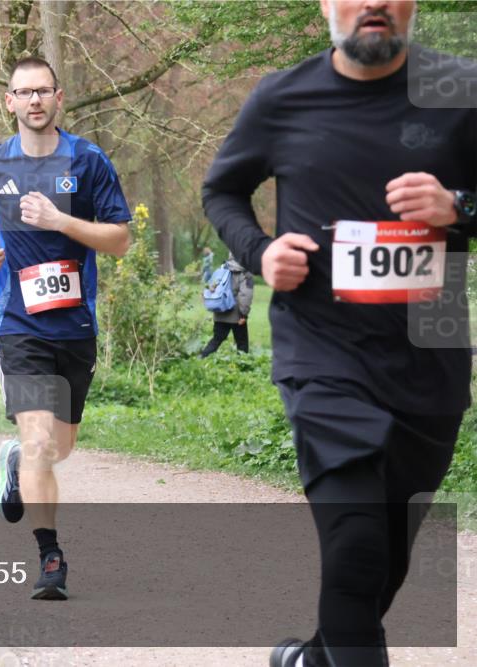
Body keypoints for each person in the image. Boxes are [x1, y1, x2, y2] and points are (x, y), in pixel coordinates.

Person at [202, 1, 476, 665]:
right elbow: (223, 191)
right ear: (328, 5)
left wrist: (459, 208)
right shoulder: (282, 96)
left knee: (381, 564)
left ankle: (313, 657)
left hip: (430, 355)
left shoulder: (459, 91)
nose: (374, 3)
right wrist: (261, 252)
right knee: (354, 549)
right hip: (323, 352)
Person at [0, 57, 132, 600]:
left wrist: (60, 221)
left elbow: (120, 239)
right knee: (41, 440)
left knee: (59, 447)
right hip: (18, 325)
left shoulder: (88, 160)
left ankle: (15, 463)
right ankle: (51, 557)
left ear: (59, 96)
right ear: (10, 101)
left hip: (75, 326)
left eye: (43, 91)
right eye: (23, 92)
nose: (34, 101)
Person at [199, 253, 254, 357]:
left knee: (216, 340)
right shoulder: (245, 273)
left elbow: (211, 287)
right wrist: (243, 314)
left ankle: (201, 359)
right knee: (242, 344)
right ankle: (243, 367)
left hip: (220, 310)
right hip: (237, 316)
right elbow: (245, 296)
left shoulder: (222, 268)